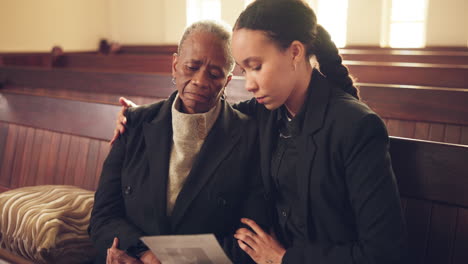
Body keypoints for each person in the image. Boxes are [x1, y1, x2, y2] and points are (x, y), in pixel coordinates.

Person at [114, 1, 407, 263]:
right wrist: (137, 118)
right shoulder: (265, 111)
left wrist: (284, 258)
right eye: (244, 71)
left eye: (256, 67)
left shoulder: (356, 126)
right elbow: (207, 109)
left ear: (294, 52)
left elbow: (383, 253)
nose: (250, 84)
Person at [89, 20, 269, 264]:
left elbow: (251, 239)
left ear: (227, 81)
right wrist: (141, 253)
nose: (200, 81)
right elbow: (103, 215)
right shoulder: (135, 123)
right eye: (191, 67)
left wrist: (171, 260)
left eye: (215, 74)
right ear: (175, 65)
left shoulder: (249, 135)